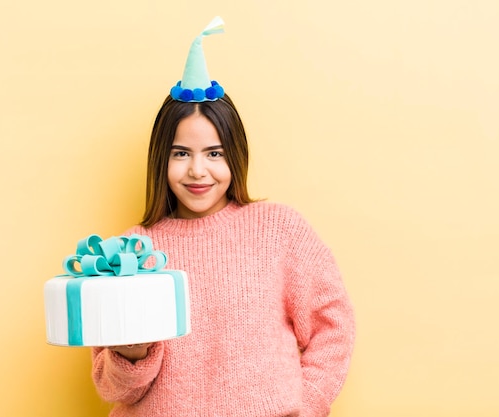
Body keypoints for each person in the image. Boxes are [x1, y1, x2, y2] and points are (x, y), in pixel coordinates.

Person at [90, 17, 355, 417]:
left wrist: (308, 401)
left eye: (214, 153)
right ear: (161, 158)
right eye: (181, 153)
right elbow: (113, 388)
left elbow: (332, 325)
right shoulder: (130, 254)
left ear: (236, 155)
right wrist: (130, 355)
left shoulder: (278, 230)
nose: (198, 170)